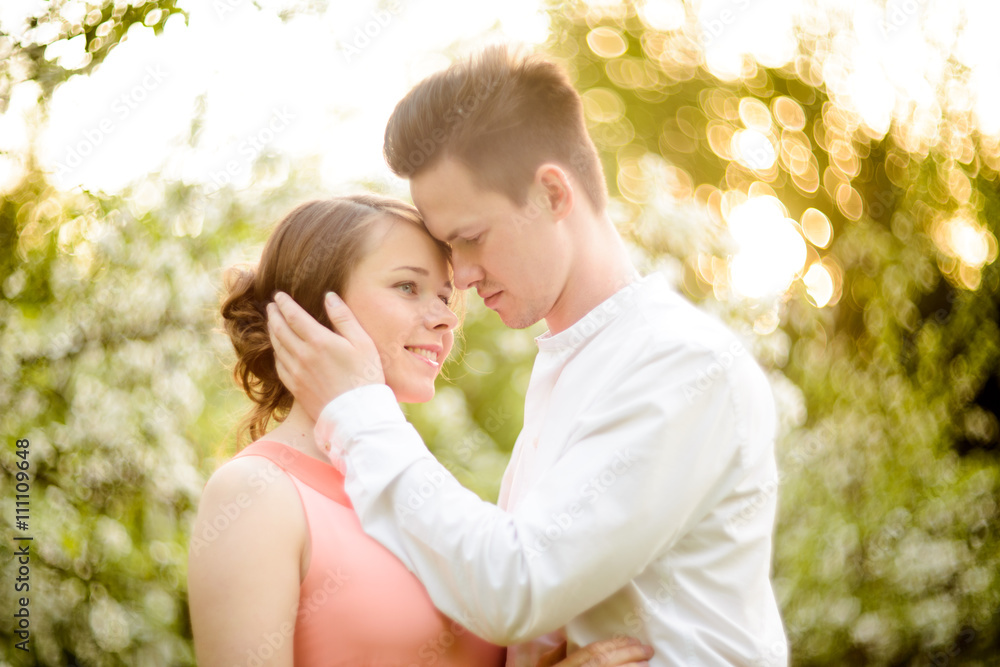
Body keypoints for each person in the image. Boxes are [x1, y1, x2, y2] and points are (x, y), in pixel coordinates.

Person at [266, 46, 788, 666]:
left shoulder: (681, 366)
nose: (458, 276)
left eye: (471, 238)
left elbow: (516, 587)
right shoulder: (571, 365)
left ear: (551, 194)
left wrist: (357, 411)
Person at [187, 194, 655, 667]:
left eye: (445, 296)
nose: (446, 318)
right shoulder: (254, 494)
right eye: (408, 287)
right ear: (313, 306)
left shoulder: (423, 490)